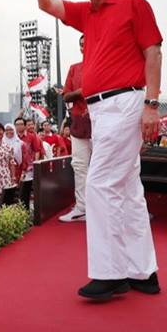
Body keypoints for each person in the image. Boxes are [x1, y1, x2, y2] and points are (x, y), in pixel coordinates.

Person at [33, 0, 162, 301]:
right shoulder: (86, 15)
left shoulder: (133, 3)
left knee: (100, 185)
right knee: (127, 190)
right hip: (101, 110)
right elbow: (46, 4)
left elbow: (153, 51)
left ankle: (110, 273)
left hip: (125, 102)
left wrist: (152, 104)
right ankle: (142, 271)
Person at [59, 34, 91, 222]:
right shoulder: (74, 69)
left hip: (101, 121)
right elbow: (66, 96)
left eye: (87, 43)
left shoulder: (104, 63)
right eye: (81, 44)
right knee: (79, 165)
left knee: (105, 166)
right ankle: (82, 207)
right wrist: (82, 91)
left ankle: (110, 208)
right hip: (79, 122)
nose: (83, 47)